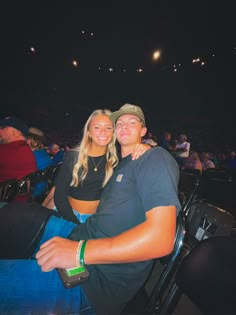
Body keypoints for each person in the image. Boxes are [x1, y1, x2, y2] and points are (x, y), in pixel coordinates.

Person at [0, 103, 181, 314]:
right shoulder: (122, 162)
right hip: (80, 232)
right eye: (119, 123)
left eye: (132, 122)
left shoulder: (155, 158)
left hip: (95, 277)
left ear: (143, 131)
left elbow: (161, 239)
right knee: (9, 213)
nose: (124, 126)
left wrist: (79, 251)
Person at [42, 108, 150, 223]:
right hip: (67, 215)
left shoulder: (115, 159)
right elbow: (60, 197)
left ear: (113, 132)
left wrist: (147, 147)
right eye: (97, 127)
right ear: (88, 131)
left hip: (96, 219)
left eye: (108, 128)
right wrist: (75, 223)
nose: (103, 132)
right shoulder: (73, 156)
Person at [0, 116, 37, 201]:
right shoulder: (23, 148)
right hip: (19, 202)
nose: (0, 130)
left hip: (6, 204)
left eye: (3, 128)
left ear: (17, 132)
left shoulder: (10, 149)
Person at [27, 127, 53, 200]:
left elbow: (41, 183)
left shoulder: (36, 156)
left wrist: (32, 196)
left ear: (35, 141)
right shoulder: (42, 153)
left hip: (35, 196)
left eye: (27, 138)